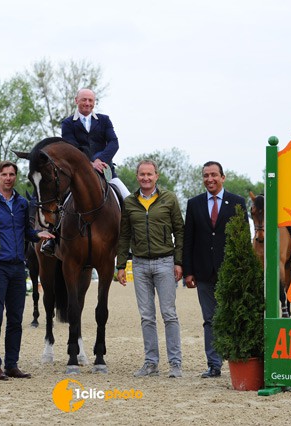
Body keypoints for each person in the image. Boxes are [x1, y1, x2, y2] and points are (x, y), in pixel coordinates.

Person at [0, 160, 54, 380]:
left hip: (19, 267)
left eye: (12, 174)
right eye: (4, 174)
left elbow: (25, 231)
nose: (8, 178)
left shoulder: (21, 203)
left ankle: (12, 364)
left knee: (16, 319)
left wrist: (37, 235)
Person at [116, 160, 185, 378]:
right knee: (146, 316)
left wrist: (179, 261)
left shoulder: (169, 199)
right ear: (137, 177)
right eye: (142, 174)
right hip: (139, 264)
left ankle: (175, 363)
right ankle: (151, 363)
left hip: (165, 262)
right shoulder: (129, 202)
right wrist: (120, 265)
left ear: (156, 176)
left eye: (149, 174)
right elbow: (124, 235)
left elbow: (180, 231)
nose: (146, 178)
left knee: (169, 314)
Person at [41, 88, 129, 256]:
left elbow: (113, 142)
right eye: (84, 100)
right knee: (58, 198)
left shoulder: (104, 120)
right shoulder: (68, 123)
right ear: (76, 101)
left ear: (94, 102)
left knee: (129, 200)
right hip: (79, 175)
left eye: (90, 100)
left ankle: (128, 243)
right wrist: (88, 163)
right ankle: (53, 239)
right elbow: (71, 146)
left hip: (105, 170)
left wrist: (99, 160)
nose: (87, 103)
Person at [182, 161, 247, 378]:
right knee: (210, 319)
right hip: (203, 272)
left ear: (223, 177)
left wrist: (241, 270)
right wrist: (188, 272)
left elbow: (243, 239)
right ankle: (214, 364)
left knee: (232, 317)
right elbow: (188, 239)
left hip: (230, 273)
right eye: (206, 176)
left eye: (214, 175)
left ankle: (238, 361)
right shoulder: (194, 204)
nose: (209, 179)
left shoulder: (238, 202)